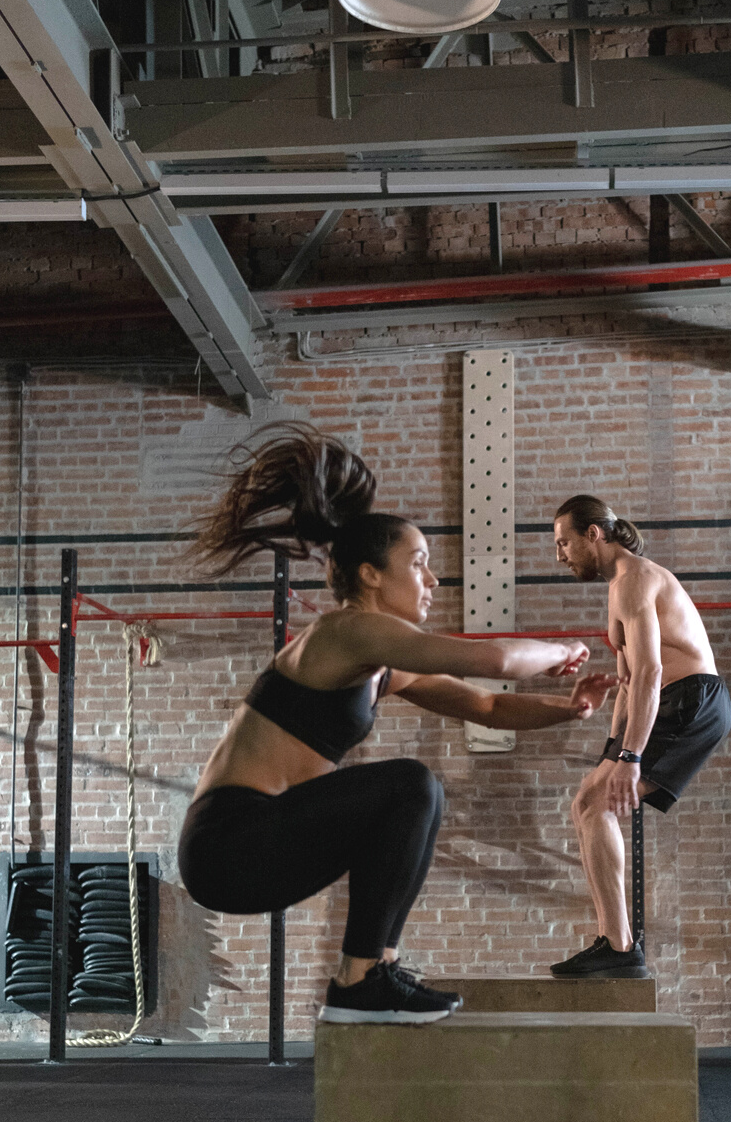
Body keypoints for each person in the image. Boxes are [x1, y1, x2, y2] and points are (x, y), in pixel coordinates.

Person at [177, 424, 616, 1024]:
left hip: (263, 841)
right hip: (229, 843)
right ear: (369, 576)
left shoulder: (378, 663)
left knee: (420, 796)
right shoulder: (346, 630)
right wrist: (560, 649)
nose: (432, 581)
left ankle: (376, 969)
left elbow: (485, 705)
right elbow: (493, 660)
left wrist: (567, 709)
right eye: (419, 564)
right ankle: (359, 981)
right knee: (410, 785)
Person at [549, 494, 731, 980]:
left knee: (596, 804)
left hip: (691, 698)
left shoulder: (636, 580)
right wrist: (612, 752)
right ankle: (615, 943)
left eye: (565, 542)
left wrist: (629, 757)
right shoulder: (618, 589)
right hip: (671, 700)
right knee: (588, 800)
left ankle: (620, 947)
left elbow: (651, 671)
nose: (560, 554)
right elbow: (629, 683)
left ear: (594, 534)